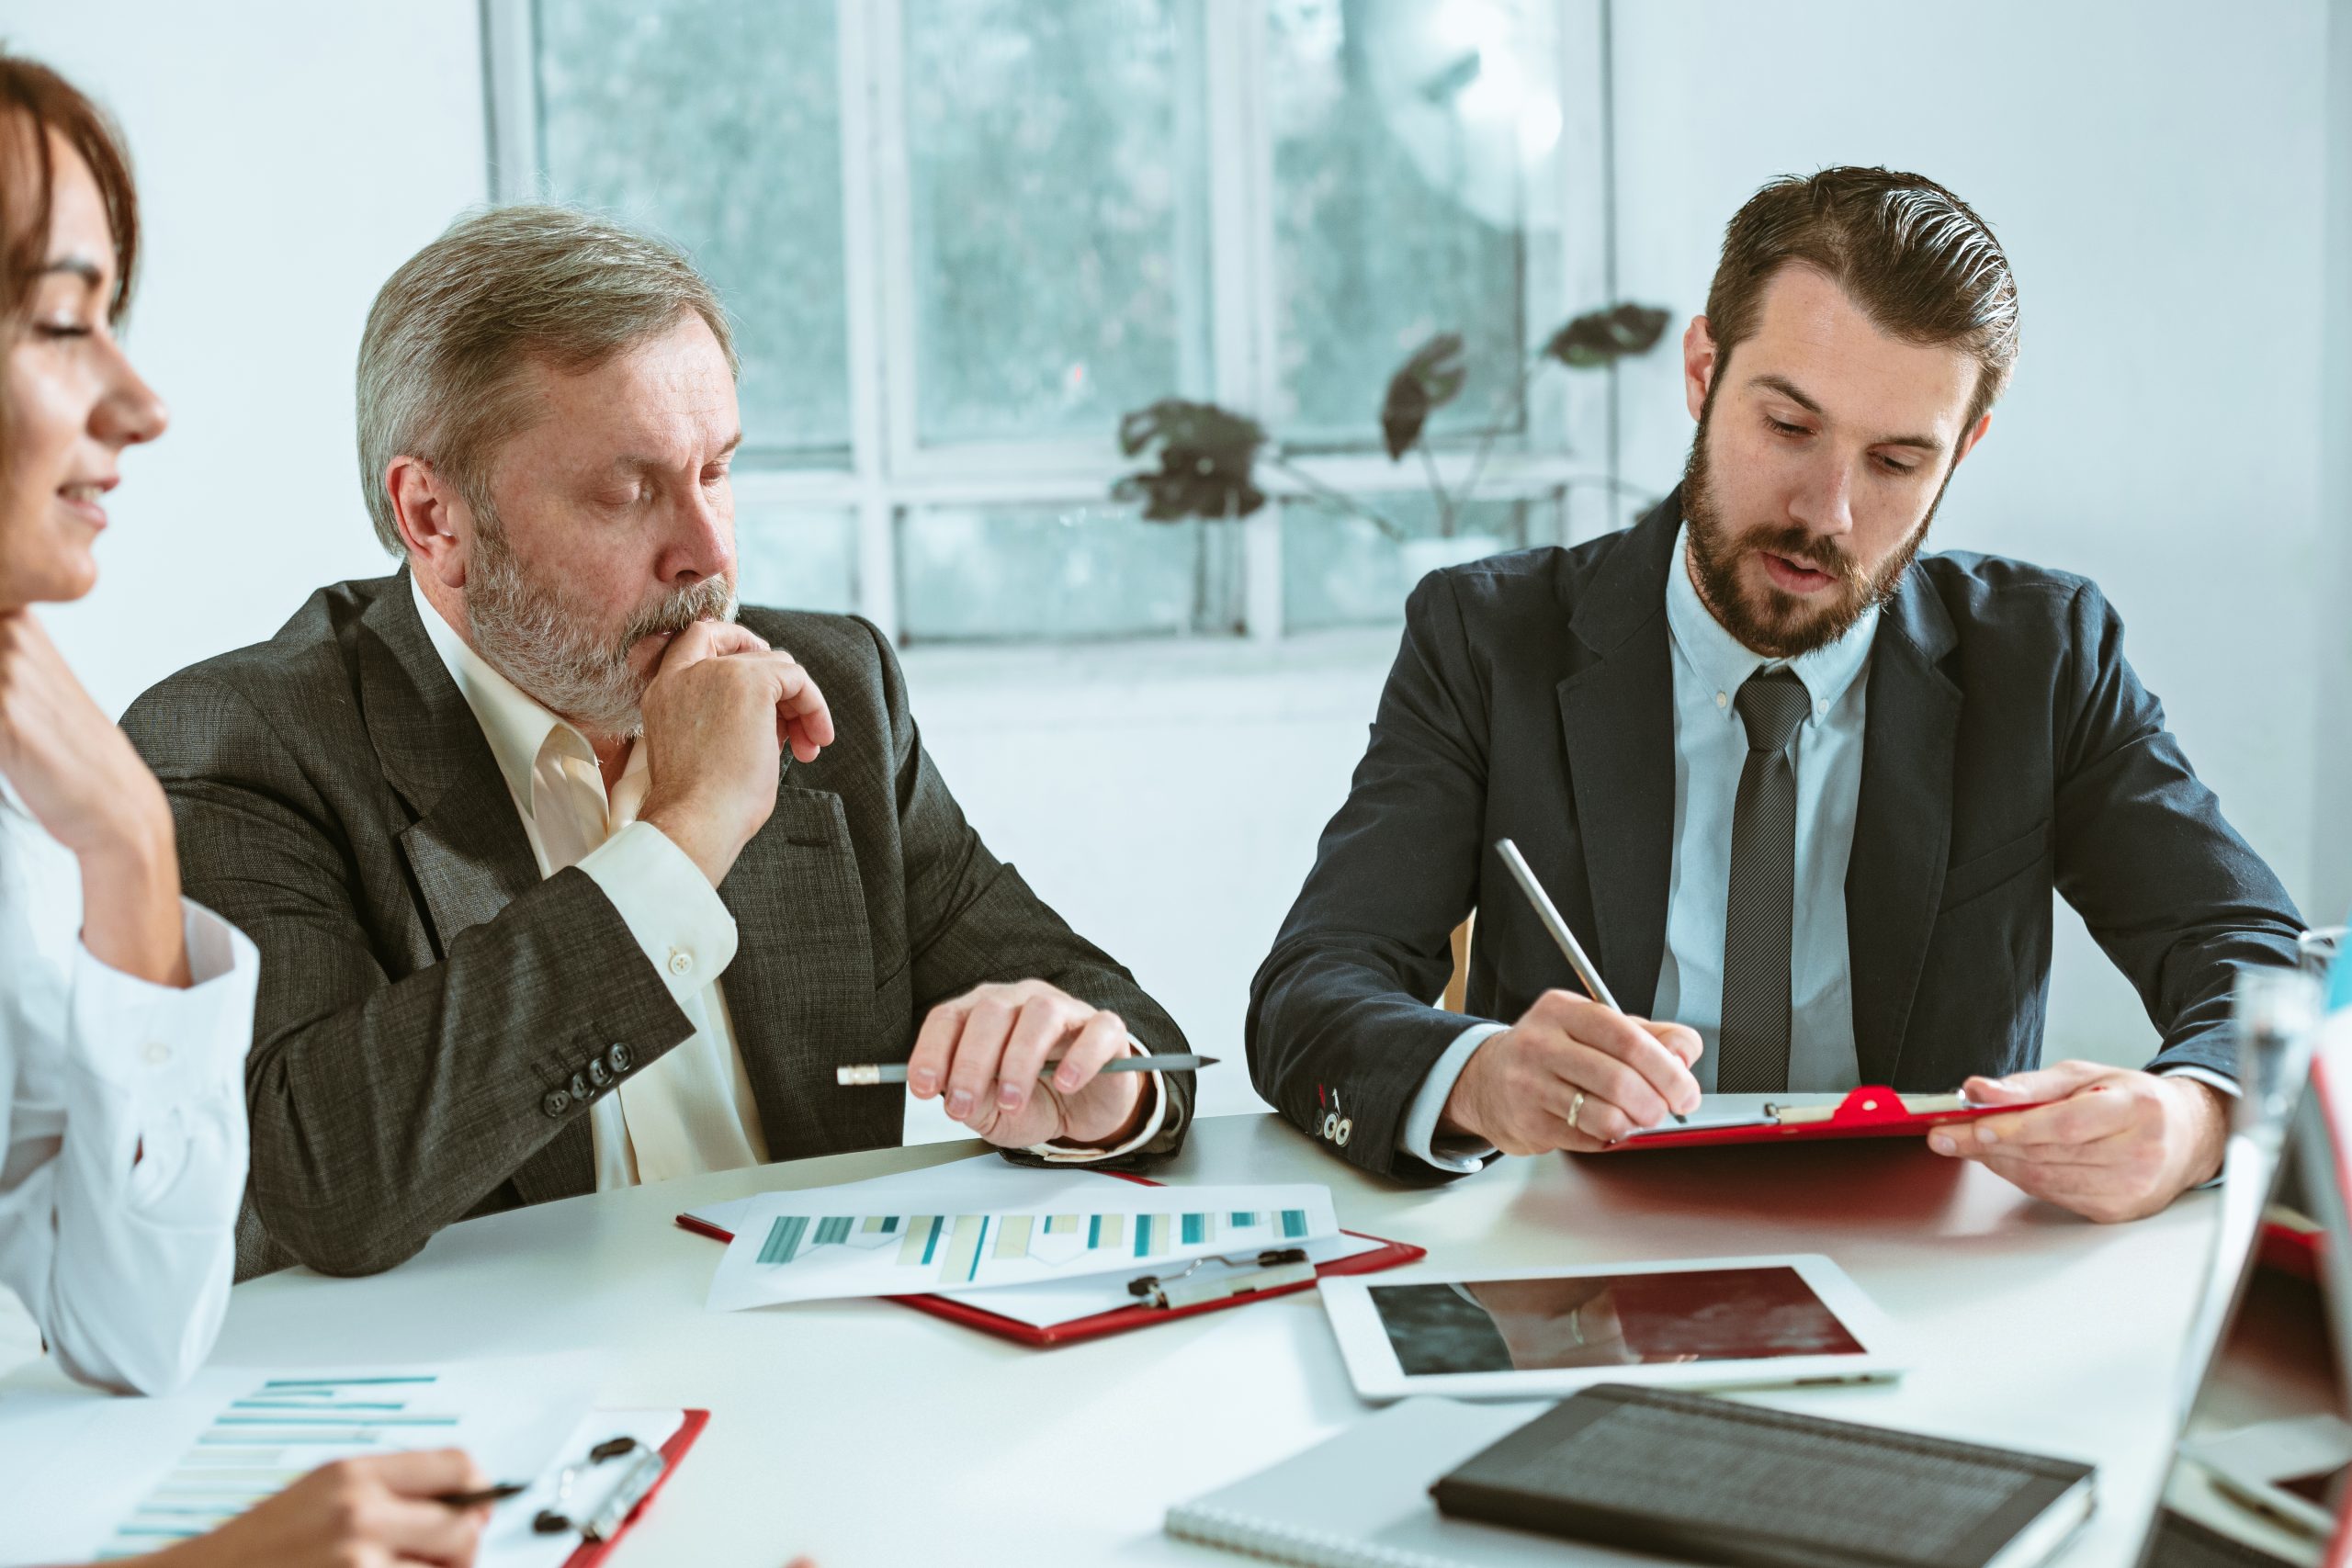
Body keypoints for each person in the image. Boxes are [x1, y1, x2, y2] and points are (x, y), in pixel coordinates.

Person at [121, 204, 1196, 1282]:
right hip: (485, 1424)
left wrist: (1101, 1093)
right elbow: (320, 1183)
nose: (709, 553)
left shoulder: (838, 693)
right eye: (629, 491)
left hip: (819, 1390)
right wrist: (684, 837)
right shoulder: (241, 745)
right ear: (434, 518)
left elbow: (1130, 1032)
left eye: (717, 471)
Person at [1248, 166, 2300, 1224]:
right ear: (1704, 370)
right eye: (1790, 429)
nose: (1827, 513)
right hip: (1571, 1257)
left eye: (1894, 461)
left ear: (1962, 450)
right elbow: (1309, 993)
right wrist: (1477, 1078)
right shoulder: (1487, 639)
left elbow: (2261, 962)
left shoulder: (2042, 657)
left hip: (1928, 1272)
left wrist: (2198, 1115)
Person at [0, 51, 500, 1568]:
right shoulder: (258, 729)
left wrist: (129, 859)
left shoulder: (45, 793)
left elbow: (130, 1326)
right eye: (62, 321)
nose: (140, 404)